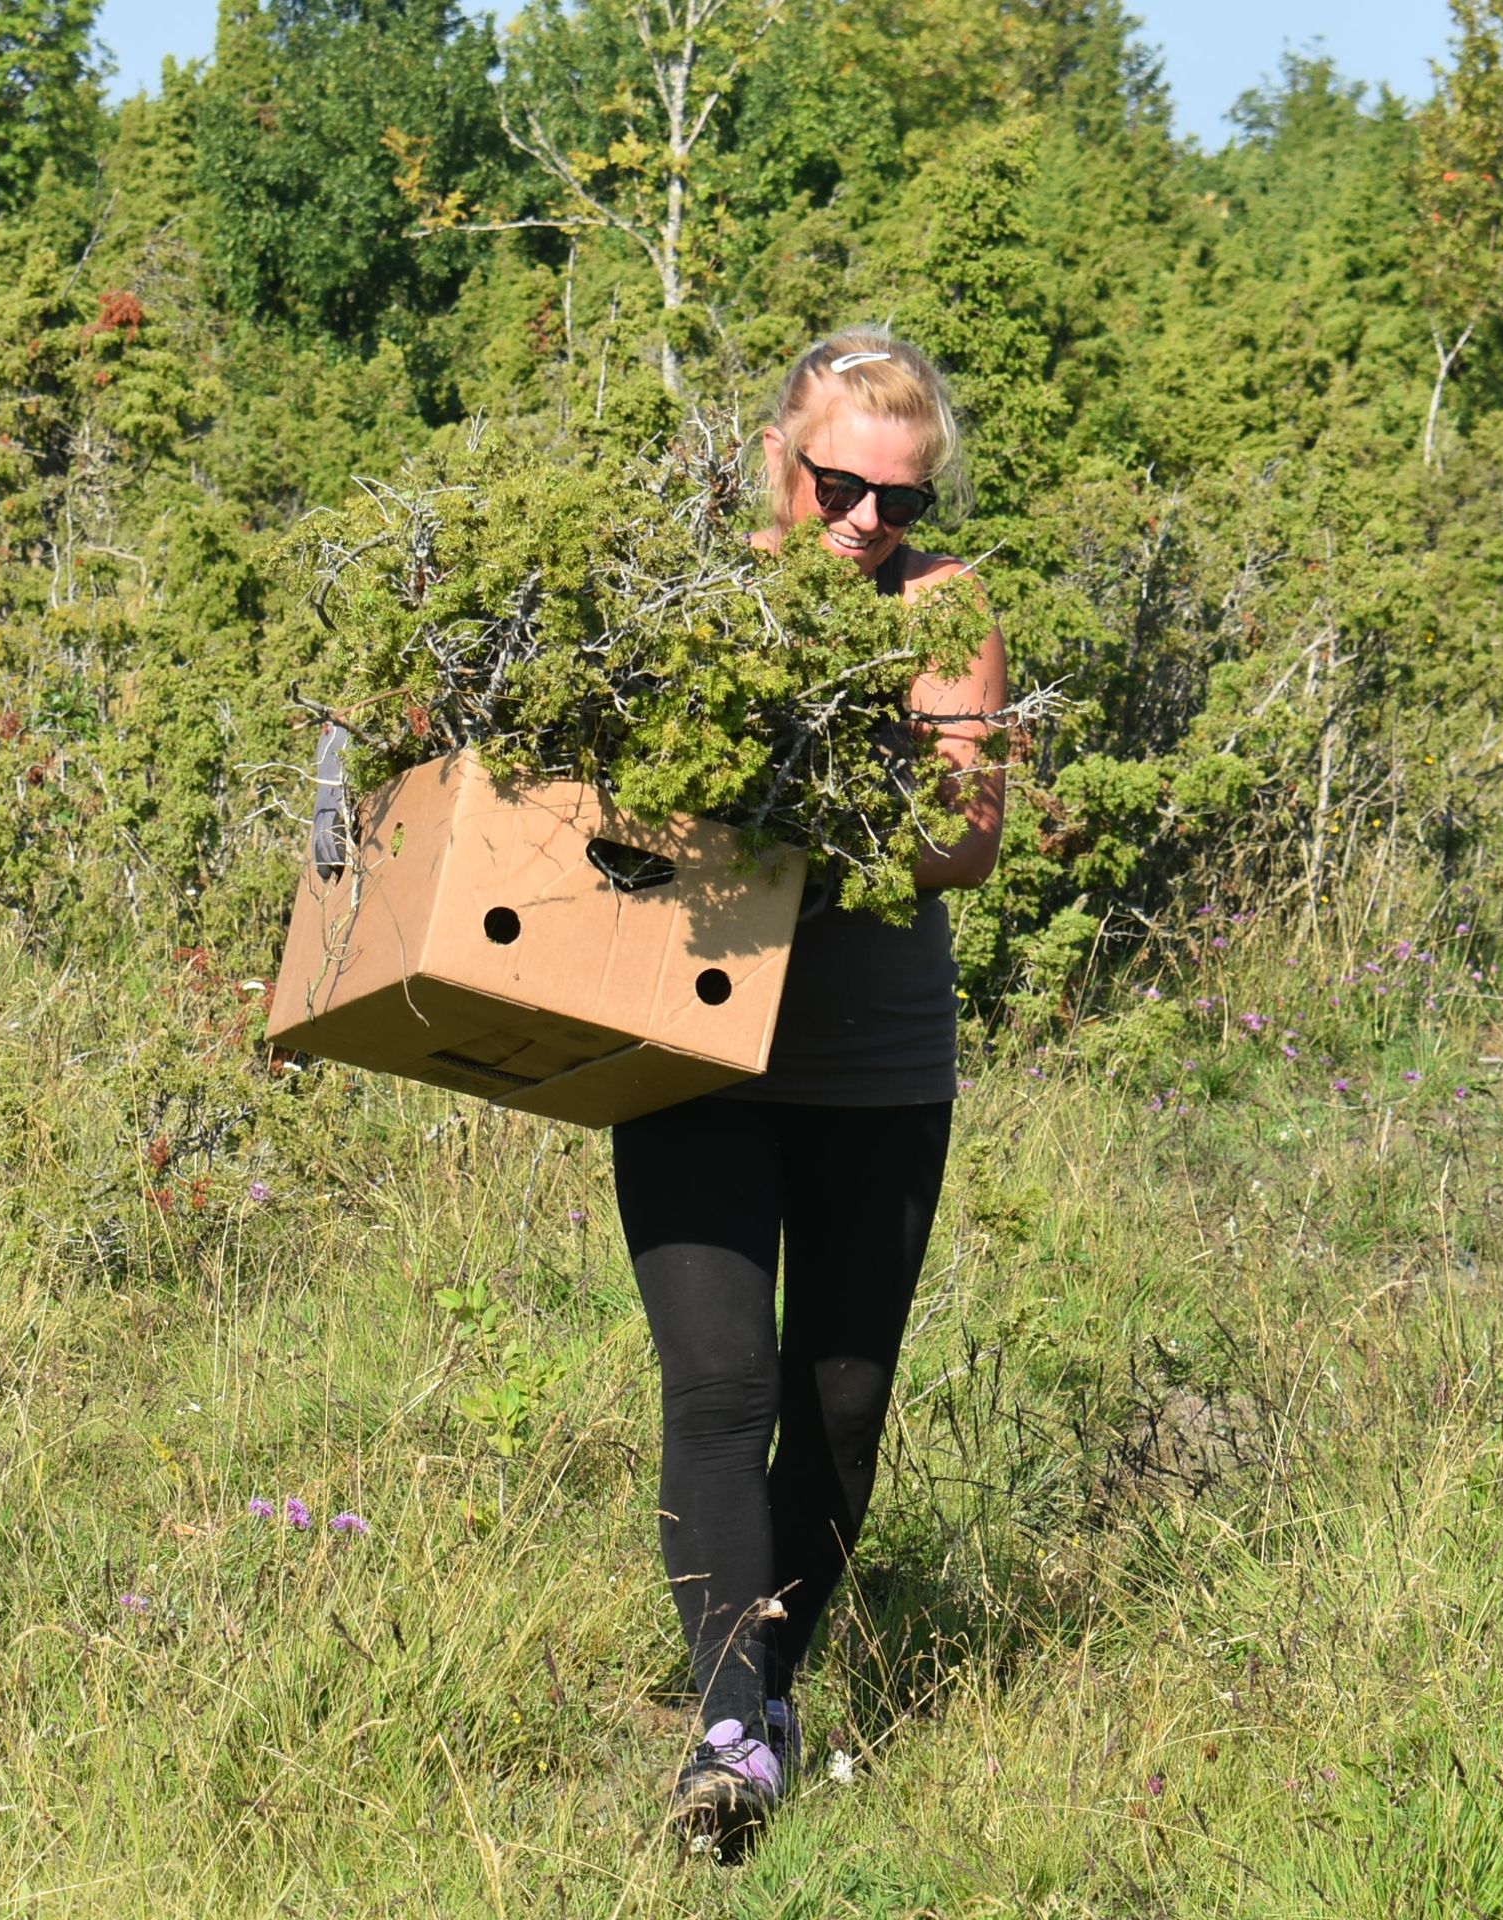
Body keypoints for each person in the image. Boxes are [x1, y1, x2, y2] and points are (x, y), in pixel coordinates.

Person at [616, 328, 1008, 1852]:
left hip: (872, 1063)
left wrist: (797, 788)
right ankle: (728, 1726)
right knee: (722, 1387)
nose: (864, 521)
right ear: (773, 460)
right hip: (689, 1040)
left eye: (898, 501)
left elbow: (967, 836)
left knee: (841, 1412)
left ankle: (770, 1694)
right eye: (838, 484)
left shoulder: (949, 606)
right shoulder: (681, 601)